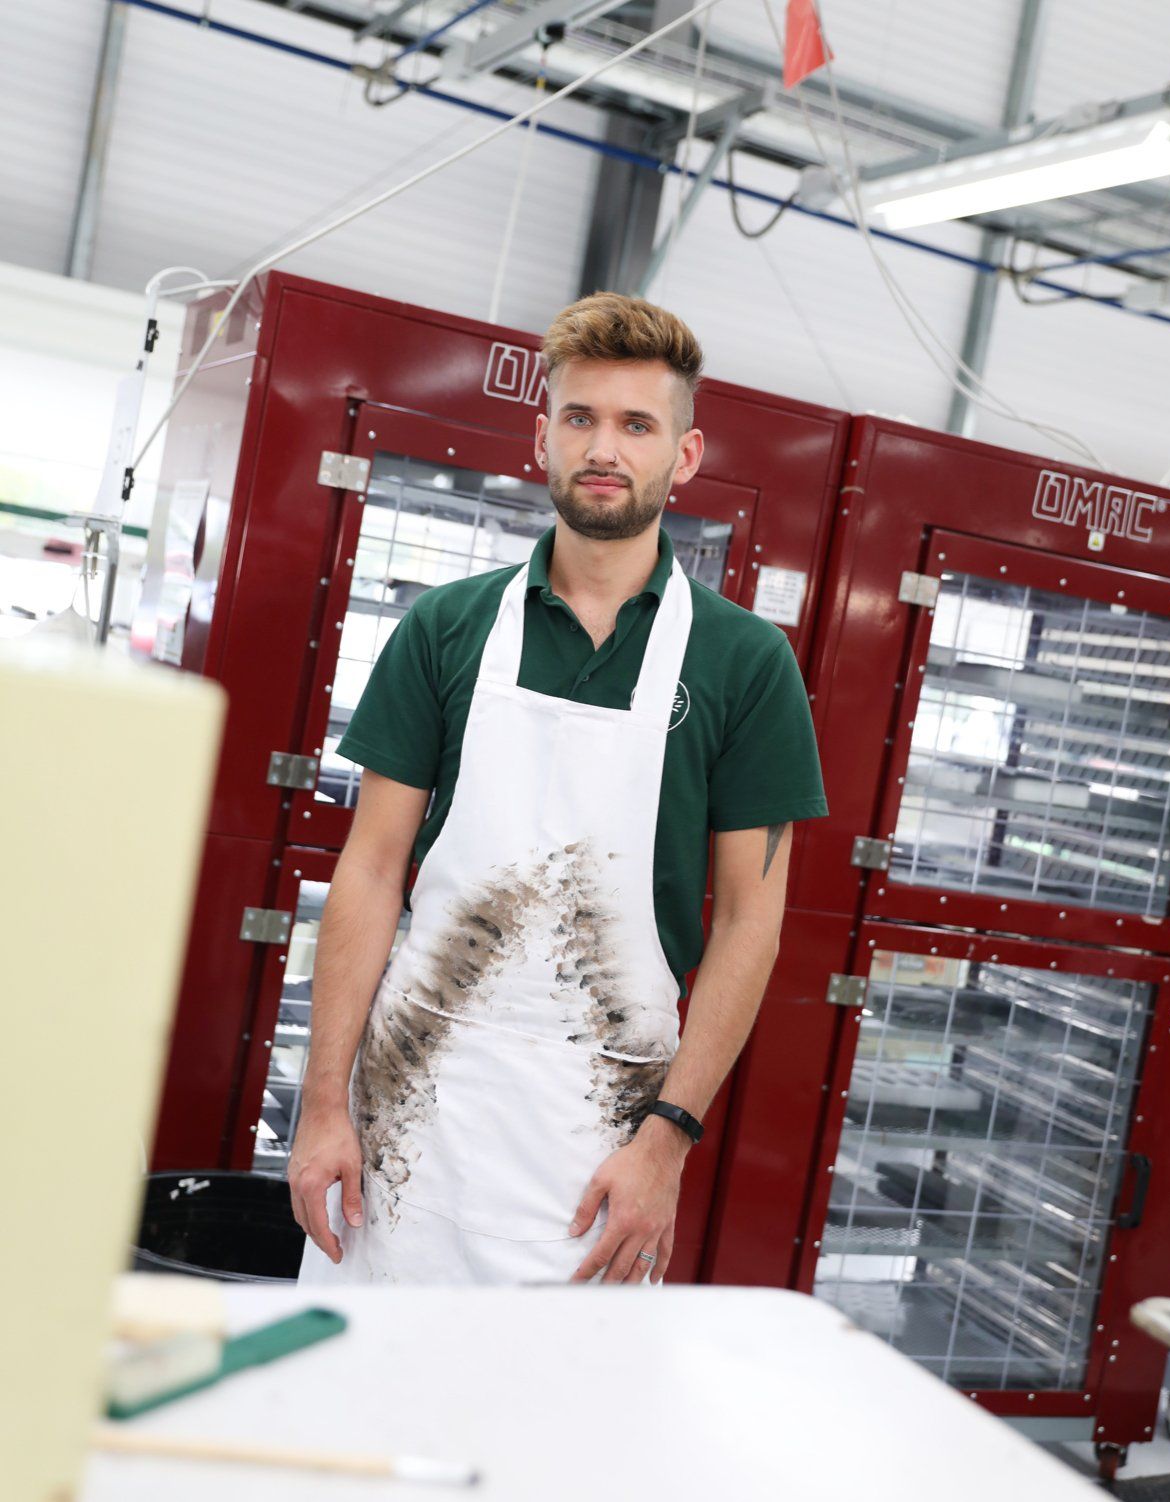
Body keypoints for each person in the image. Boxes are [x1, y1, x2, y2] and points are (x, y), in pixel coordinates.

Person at [290, 291, 828, 1288]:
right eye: (580, 417)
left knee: (554, 1420)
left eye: (636, 424)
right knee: (361, 1400)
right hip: (410, 1104)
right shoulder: (444, 628)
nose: (604, 447)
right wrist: (323, 1103)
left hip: (601, 1136)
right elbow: (368, 867)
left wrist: (665, 1140)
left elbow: (751, 920)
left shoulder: (742, 661)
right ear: (541, 436)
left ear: (686, 453)